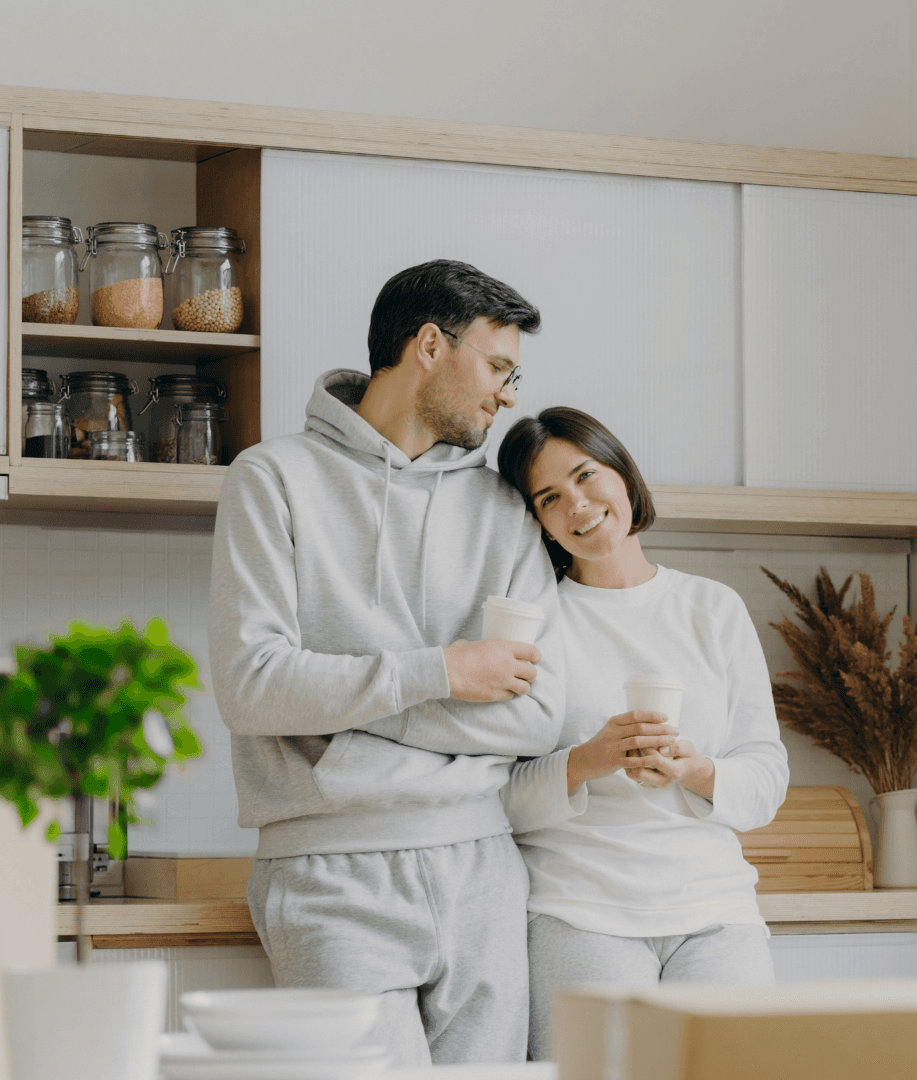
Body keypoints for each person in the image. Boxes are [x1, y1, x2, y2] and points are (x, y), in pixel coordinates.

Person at [209, 261, 641, 1063]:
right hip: (327, 873)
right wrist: (446, 672)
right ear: (432, 346)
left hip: (482, 866)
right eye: (499, 368)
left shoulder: (503, 509)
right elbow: (252, 687)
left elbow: (537, 712)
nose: (509, 395)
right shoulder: (273, 481)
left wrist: (337, 702)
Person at [495, 407, 790, 1061]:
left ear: (621, 474)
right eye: (550, 497)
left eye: (585, 475)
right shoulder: (533, 624)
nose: (578, 504)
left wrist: (697, 770)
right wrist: (586, 761)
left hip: (715, 909)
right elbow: (496, 798)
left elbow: (765, 770)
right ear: (536, 520)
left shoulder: (712, 608)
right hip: (581, 913)